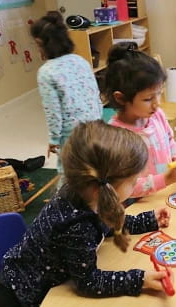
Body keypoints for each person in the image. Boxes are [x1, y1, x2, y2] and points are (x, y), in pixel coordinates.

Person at [0, 120, 173, 307]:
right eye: (133, 182)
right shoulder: (77, 226)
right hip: (22, 296)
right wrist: (138, 280)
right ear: (104, 190)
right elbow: (88, 282)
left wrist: (147, 220)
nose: (136, 185)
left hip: (26, 274)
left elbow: (107, 221)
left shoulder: (86, 193)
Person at [105, 42, 176, 198]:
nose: (157, 103)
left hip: (166, 193)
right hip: (139, 206)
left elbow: (169, 145)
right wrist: (165, 179)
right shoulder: (115, 136)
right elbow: (120, 190)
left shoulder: (156, 115)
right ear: (121, 98)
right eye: (148, 98)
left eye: (159, 93)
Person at [30, 11, 103, 180]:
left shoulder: (46, 72)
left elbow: (53, 110)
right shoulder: (81, 61)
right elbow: (95, 93)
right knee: (93, 165)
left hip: (71, 133)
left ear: (41, 44)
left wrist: (54, 139)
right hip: (95, 125)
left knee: (70, 172)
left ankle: (69, 203)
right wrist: (99, 121)